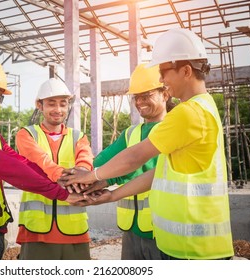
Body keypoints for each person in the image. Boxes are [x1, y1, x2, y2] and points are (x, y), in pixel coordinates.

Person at [62, 28, 234, 260]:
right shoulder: (204, 106)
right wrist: (112, 195)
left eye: (164, 72)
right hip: (186, 245)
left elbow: (135, 157)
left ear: (185, 71)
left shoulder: (187, 113)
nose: (162, 79)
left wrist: (91, 176)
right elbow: (159, 174)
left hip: (193, 249)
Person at [0, 60, 84, 260]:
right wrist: (61, 194)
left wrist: (61, 178)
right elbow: (12, 170)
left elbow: (21, 162)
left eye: (0, 97)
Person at [91, 63, 174, 260]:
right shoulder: (131, 133)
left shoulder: (174, 127)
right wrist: (76, 176)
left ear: (165, 94)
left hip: (163, 230)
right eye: (136, 97)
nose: (140, 102)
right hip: (131, 230)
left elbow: (151, 170)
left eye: (146, 95)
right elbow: (101, 162)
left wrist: (105, 180)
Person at [14, 78, 94, 260]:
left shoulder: (79, 137)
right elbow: (40, 160)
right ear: (39, 105)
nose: (58, 110)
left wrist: (82, 173)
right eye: (51, 104)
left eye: (63, 104)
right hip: (37, 231)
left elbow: (85, 161)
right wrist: (69, 176)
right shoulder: (26, 134)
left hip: (75, 230)